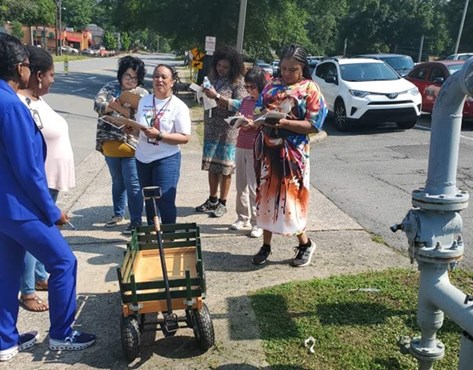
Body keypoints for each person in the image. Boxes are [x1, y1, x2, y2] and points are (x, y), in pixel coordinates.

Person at [0, 33, 95, 362]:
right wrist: (50, 208)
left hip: (3, 208)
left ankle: (5, 341)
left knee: (7, 271)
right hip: (20, 207)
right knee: (63, 262)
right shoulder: (11, 105)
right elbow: (27, 169)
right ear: (20, 68)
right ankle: (62, 333)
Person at [250, 44, 327, 267]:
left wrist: (285, 122)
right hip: (267, 150)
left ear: (302, 68)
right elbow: (256, 110)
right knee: (265, 196)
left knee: (291, 200)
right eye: (283, 68)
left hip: (293, 154)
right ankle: (265, 246)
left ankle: (305, 243)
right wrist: (260, 117)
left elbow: (314, 125)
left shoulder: (310, 89)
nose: (286, 73)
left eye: (292, 69)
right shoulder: (271, 86)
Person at [16, 46, 76, 313]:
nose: (54, 80)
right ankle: (27, 292)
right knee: (35, 237)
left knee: (44, 231)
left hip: (51, 179)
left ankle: (40, 277)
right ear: (38, 75)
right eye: (52, 74)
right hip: (39, 181)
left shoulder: (38, 98)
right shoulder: (19, 102)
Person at [94, 55, 148, 234]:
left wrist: (115, 107)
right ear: (120, 75)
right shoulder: (110, 87)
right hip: (110, 143)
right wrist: (121, 108)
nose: (130, 81)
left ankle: (136, 221)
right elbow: (98, 104)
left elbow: (141, 116)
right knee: (117, 181)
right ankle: (118, 215)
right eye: (127, 76)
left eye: (134, 77)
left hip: (132, 144)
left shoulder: (142, 93)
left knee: (132, 183)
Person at [132, 64, 191, 224]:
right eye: (156, 76)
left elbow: (185, 137)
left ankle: (168, 239)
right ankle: (153, 238)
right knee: (149, 202)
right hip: (143, 158)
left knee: (164, 202)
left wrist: (159, 135)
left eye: (164, 77)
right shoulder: (144, 101)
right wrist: (131, 130)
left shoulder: (179, 106)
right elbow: (141, 129)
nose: (159, 80)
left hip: (166, 159)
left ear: (172, 82)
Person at [196, 45, 247, 218]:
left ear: (232, 66)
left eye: (225, 67)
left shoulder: (238, 81)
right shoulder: (212, 77)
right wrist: (202, 93)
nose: (221, 69)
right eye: (219, 66)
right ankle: (212, 200)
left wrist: (217, 97)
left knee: (225, 168)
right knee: (212, 165)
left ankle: (223, 203)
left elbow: (242, 104)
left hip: (228, 130)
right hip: (211, 126)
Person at [218, 67, 269, 238]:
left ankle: (257, 222)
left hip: (256, 148)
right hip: (241, 145)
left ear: (261, 85)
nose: (249, 90)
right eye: (247, 86)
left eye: (252, 86)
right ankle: (242, 217)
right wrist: (239, 120)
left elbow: (266, 122)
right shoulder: (246, 100)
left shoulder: (265, 103)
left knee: (254, 187)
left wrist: (254, 123)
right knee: (241, 185)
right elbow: (240, 113)